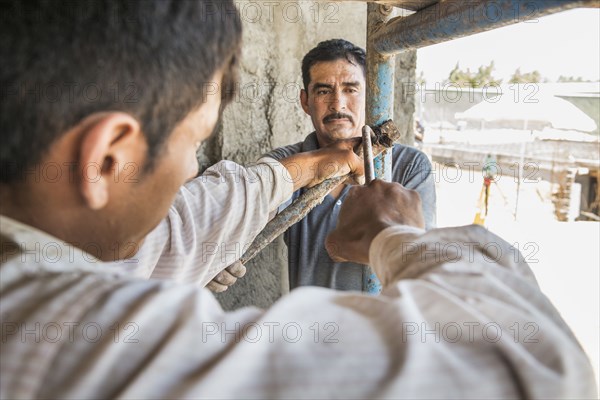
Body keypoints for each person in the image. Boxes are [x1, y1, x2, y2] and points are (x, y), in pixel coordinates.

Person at [1, 1, 596, 398]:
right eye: (194, 143)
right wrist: (397, 237)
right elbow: (529, 363)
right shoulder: (66, 338)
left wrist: (315, 174)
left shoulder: (401, 163)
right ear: (107, 158)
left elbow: (199, 216)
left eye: (352, 89)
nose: (192, 169)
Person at [261, 39, 437, 291]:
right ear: (305, 101)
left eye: (351, 89)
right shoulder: (285, 163)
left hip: (384, 328)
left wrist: (343, 246)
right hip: (309, 328)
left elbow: (420, 260)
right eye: (323, 91)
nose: (338, 104)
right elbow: (244, 213)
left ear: (370, 95)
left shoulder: (408, 165)